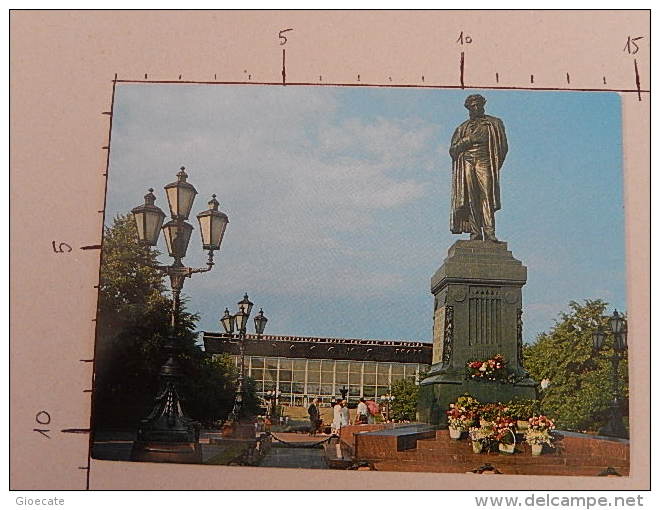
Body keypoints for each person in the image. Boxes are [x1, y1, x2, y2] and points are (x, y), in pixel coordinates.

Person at [449, 94, 508, 242]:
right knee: (471, 198)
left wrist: (494, 165)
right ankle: (475, 233)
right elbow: (453, 150)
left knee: (486, 196)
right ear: (468, 108)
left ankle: (489, 232)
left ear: (483, 105)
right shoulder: (462, 128)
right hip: (468, 161)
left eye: (479, 105)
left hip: (485, 161)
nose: (476, 108)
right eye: (473, 106)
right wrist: (469, 140)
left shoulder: (495, 123)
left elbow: (503, 148)